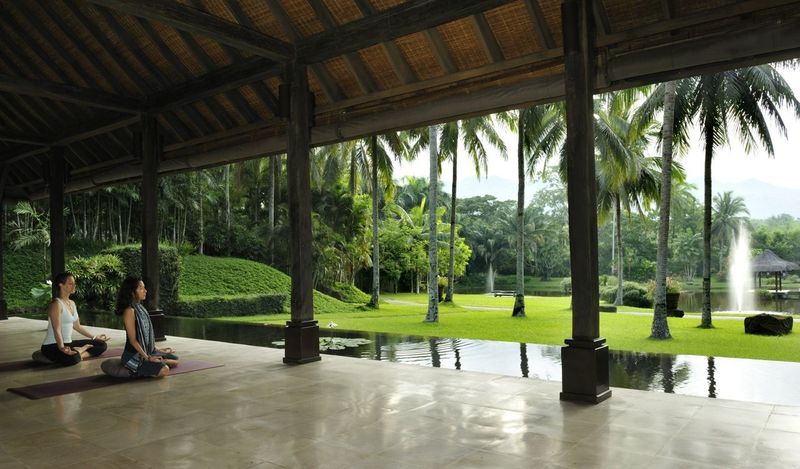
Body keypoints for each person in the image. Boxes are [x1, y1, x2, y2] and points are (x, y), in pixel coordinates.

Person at [41, 272, 110, 366]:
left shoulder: (72, 303)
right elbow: (56, 329)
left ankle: (79, 354)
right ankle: (82, 350)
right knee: (72, 359)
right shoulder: (56, 304)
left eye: (74, 283)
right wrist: (62, 347)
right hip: (53, 345)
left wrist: (94, 337)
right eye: (70, 283)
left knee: (101, 344)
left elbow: (77, 326)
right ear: (61, 285)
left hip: (69, 343)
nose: (74, 286)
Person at [116, 276, 178, 378]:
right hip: (133, 355)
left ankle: (158, 359)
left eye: (144, 288)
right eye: (141, 288)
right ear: (132, 292)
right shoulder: (129, 311)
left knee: (174, 359)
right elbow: (133, 341)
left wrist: (159, 350)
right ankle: (139, 368)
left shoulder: (141, 308)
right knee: (165, 370)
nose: (145, 291)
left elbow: (146, 339)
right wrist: (148, 358)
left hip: (146, 351)